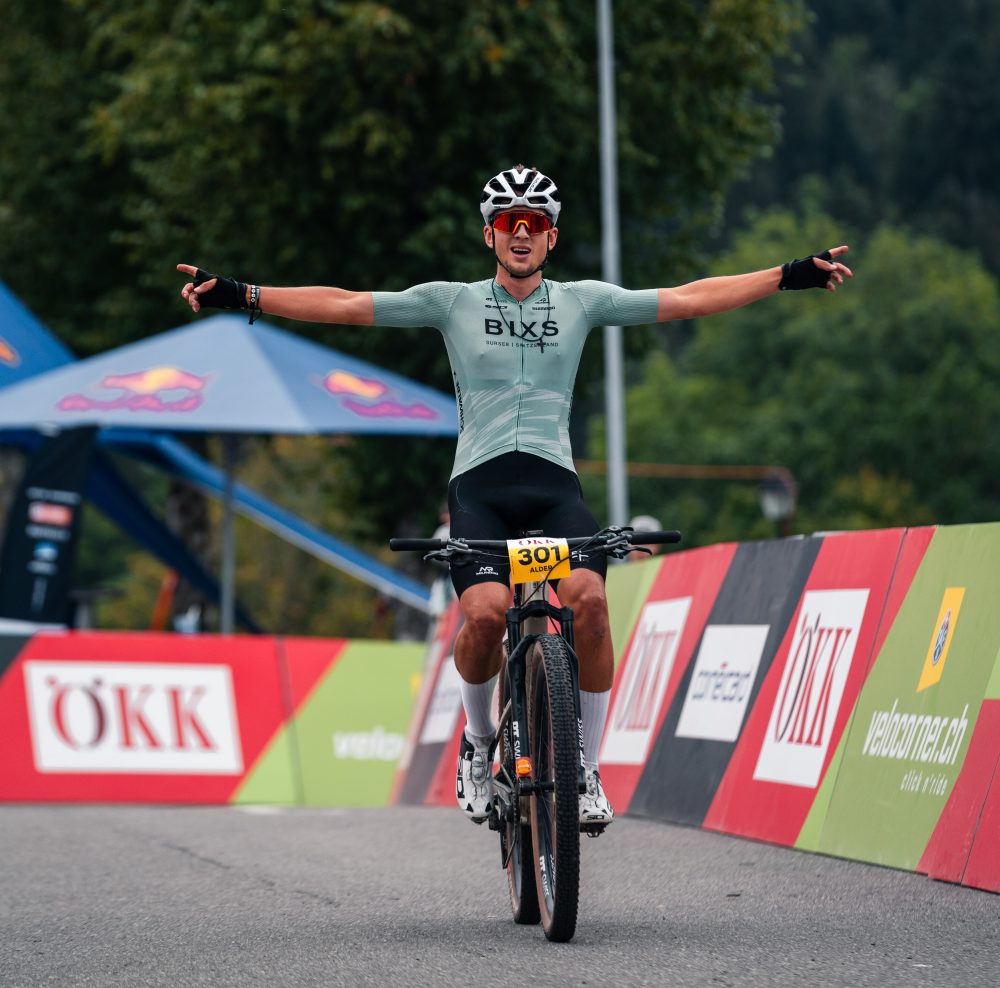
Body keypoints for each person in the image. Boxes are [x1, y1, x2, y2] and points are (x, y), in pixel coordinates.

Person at [177, 163, 852, 830]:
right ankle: (477, 747)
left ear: (552, 238)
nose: (521, 233)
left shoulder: (582, 301)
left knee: (588, 603)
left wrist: (786, 275)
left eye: (534, 224)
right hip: (481, 488)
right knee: (487, 615)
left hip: (555, 487)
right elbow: (351, 305)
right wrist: (244, 294)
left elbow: (686, 297)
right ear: (489, 236)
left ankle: (583, 768)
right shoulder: (453, 302)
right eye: (508, 223)